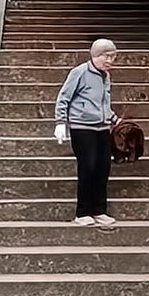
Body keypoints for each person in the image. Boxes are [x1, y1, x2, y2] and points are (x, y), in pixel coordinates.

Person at [54, 39, 119, 227]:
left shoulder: (105, 76)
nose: (110, 61)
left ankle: (99, 210)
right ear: (96, 55)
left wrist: (115, 119)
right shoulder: (80, 72)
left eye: (113, 57)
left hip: (102, 128)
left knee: (103, 167)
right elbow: (64, 97)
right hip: (82, 127)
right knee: (88, 167)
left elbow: (104, 103)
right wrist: (60, 122)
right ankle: (82, 212)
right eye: (107, 57)